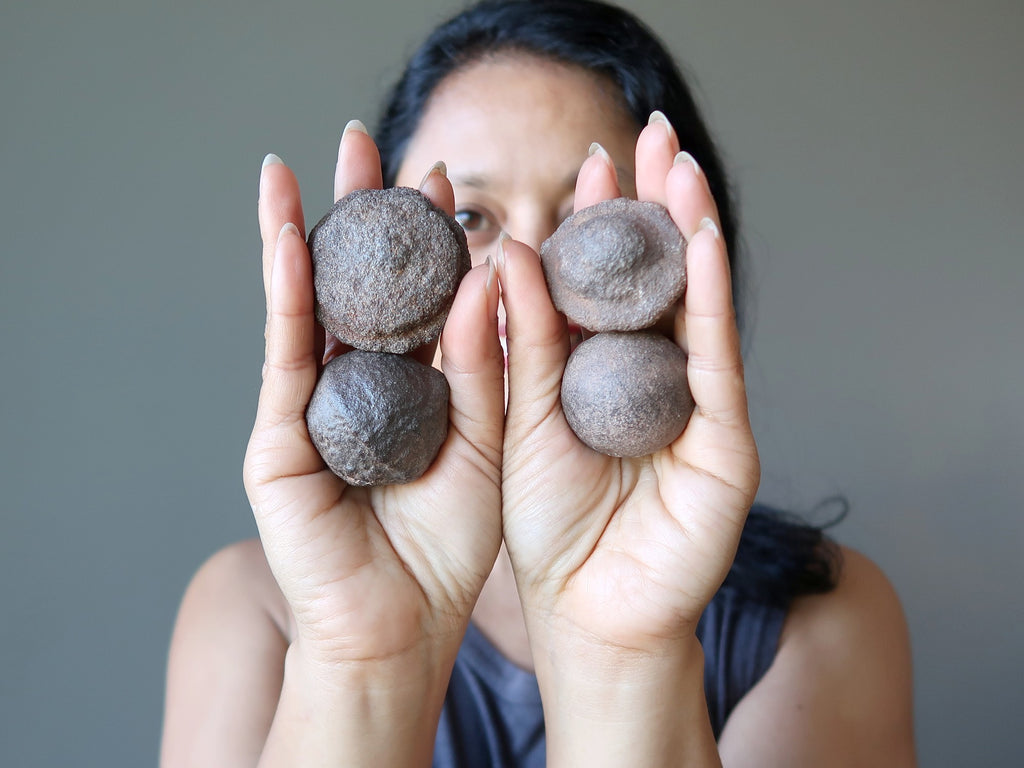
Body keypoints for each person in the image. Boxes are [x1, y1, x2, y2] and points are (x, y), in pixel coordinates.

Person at [160, 1, 916, 765]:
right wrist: (363, 662)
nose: (521, 272)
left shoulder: (826, 620)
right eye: (470, 221)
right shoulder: (247, 609)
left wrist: (622, 654)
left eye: (585, 218)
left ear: (682, 264)